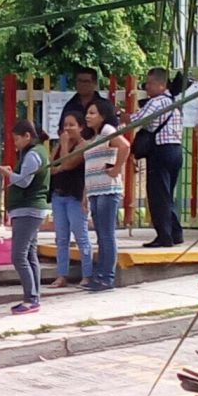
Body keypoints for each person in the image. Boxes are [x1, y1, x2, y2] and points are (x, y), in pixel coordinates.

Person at [122, 68, 184, 248]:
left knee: (158, 195)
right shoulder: (174, 102)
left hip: (160, 152)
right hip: (175, 150)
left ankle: (164, 236)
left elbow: (137, 120)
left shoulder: (156, 102)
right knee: (167, 194)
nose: (146, 87)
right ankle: (175, 233)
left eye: (150, 83)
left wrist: (122, 116)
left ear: (161, 84)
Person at [0, 120, 50, 315]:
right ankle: (34, 296)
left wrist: (8, 174)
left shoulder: (33, 155)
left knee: (19, 255)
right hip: (30, 209)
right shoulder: (37, 152)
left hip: (28, 209)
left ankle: (30, 299)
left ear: (28, 136)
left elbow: (25, 181)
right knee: (30, 254)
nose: (15, 143)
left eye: (17, 139)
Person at [82, 100, 131, 292]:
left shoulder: (107, 131)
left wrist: (117, 167)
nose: (88, 116)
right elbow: (89, 167)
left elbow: (125, 146)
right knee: (101, 236)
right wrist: (85, 194)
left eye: (92, 113)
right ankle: (100, 275)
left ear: (103, 115)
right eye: (87, 112)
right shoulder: (94, 137)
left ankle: (106, 277)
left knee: (107, 235)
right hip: (95, 190)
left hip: (107, 189)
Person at [48, 111, 93, 288]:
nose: (67, 129)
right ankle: (62, 275)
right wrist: (60, 147)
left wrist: (65, 146)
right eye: (65, 125)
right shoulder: (60, 145)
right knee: (61, 238)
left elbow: (67, 163)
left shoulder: (84, 145)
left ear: (81, 127)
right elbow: (52, 166)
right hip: (59, 195)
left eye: (72, 125)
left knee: (81, 236)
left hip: (75, 196)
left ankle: (87, 275)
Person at [58, 67, 110, 133]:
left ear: (95, 83)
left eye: (86, 81)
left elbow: (113, 129)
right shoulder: (70, 105)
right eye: (79, 81)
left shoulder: (105, 105)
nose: (82, 84)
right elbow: (61, 129)